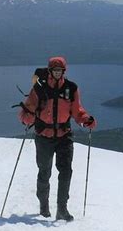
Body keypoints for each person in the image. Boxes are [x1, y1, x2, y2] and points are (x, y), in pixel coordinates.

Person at [18, 56, 96, 221]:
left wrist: (86, 119)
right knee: (44, 172)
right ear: (50, 71)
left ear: (64, 71)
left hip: (64, 136)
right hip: (43, 137)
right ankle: (44, 206)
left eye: (60, 70)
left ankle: (62, 209)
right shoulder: (39, 89)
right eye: (55, 70)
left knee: (66, 171)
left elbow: (77, 111)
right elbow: (26, 111)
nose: (57, 73)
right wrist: (28, 117)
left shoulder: (71, 88)